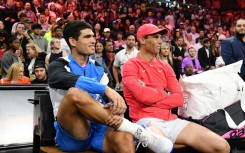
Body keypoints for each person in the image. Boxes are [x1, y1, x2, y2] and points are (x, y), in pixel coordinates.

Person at [48, 21, 174, 153]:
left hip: (100, 127)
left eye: (93, 36)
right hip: (74, 132)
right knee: (75, 93)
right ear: (73, 41)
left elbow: (108, 102)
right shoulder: (58, 65)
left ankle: (136, 132)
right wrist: (106, 89)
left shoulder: (99, 68)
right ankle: (139, 131)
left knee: (124, 136)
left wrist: (113, 106)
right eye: (87, 37)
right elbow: (60, 78)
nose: (93, 41)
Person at [122, 23, 230, 153]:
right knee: (162, 148)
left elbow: (179, 99)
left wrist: (153, 98)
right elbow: (142, 96)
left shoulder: (165, 66)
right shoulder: (130, 65)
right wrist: (165, 95)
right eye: (155, 37)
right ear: (143, 40)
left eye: (160, 37)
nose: (160, 41)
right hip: (146, 121)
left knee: (222, 147)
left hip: (171, 120)